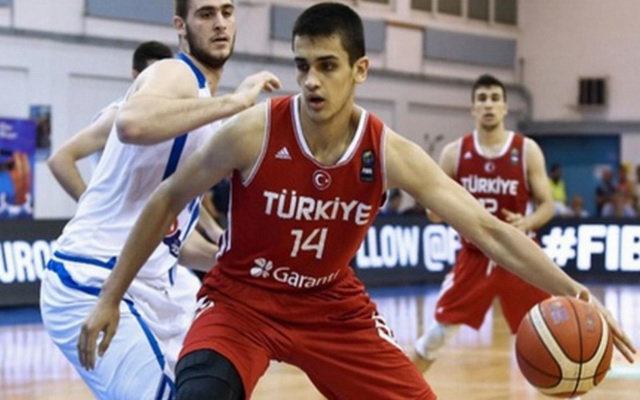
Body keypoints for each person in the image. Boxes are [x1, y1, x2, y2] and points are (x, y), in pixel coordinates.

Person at [77, 3, 636, 400]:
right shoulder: (253, 131)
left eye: (327, 66)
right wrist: (110, 297)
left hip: (331, 308)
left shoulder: (388, 151)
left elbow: (488, 231)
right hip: (240, 302)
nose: (311, 81)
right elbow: (166, 199)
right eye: (302, 66)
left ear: (359, 70)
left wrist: (575, 291)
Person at [40, 0, 281, 398]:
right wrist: (236, 102)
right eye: (206, 14)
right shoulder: (175, 72)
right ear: (180, 26)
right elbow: (131, 124)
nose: (220, 23)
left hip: (155, 287)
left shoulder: (203, 112)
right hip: (94, 278)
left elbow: (171, 242)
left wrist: (237, 261)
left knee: (209, 390)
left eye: (227, 12)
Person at [412, 74, 557, 373]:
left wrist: (528, 221)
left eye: (494, 99)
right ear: (473, 109)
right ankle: (397, 392)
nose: (488, 105)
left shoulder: (526, 149)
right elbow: (433, 211)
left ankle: (572, 392)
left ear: (505, 107)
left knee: (552, 340)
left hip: (520, 255)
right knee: (436, 336)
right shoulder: (455, 153)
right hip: (476, 257)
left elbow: (548, 205)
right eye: (482, 99)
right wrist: (438, 209)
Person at [47, 41, 174, 201]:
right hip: (111, 214)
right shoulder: (115, 117)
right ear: (136, 76)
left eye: (166, 78)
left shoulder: (169, 121)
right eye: (154, 78)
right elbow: (60, 159)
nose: (161, 84)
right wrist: (88, 206)